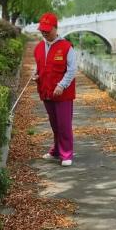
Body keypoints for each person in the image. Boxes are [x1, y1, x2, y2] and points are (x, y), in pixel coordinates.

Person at [32, 12, 77, 167]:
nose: (44, 32)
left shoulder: (66, 47)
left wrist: (61, 85)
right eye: (42, 29)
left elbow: (72, 70)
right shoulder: (38, 48)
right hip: (46, 92)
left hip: (62, 94)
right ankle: (57, 150)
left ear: (55, 28)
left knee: (64, 125)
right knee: (55, 124)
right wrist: (36, 76)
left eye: (47, 29)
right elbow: (39, 68)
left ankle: (66, 153)